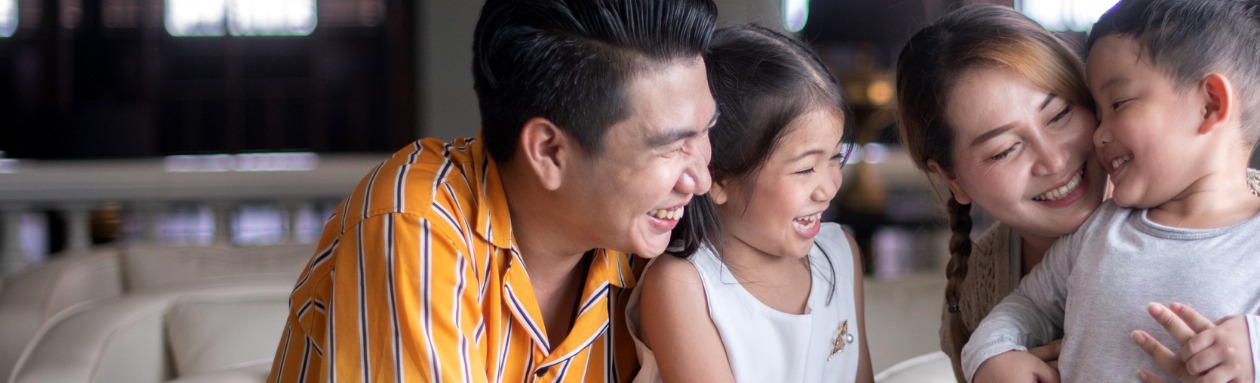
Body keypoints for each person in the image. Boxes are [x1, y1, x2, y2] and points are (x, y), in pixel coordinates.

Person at [266, 0, 718, 381]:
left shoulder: (650, 246)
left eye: (705, 133)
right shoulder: (415, 221)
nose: (700, 178)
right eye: (671, 148)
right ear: (548, 152)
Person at [960, 0, 1260, 382]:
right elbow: (1025, 307)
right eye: (1097, 110)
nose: (1098, 134)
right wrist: (993, 354)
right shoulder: (1099, 230)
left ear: (1210, 104)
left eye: (1117, 105)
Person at [626, 24, 873, 383]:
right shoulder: (683, 285)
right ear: (718, 178)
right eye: (805, 169)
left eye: (836, 158)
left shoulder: (840, 254)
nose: (829, 187)